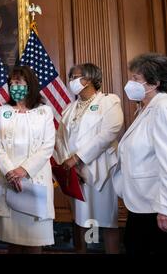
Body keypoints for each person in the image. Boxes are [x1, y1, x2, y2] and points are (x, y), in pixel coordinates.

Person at [54, 63, 124, 254]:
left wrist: (77, 158)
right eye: (71, 77)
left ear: (90, 78)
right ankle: (85, 249)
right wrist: (68, 164)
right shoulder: (69, 108)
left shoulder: (109, 102)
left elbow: (108, 134)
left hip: (101, 170)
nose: (72, 81)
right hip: (76, 174)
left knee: (107, 221)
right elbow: (60, 139)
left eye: (76, 77)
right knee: (83, 220)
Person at [0, 66, 55, 254]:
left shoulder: (44, 112)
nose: (14, 86)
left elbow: (47, 146)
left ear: (29, 84)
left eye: (18, 82)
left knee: (34, 241)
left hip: (35, 182)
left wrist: (23, 170)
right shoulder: (2, 111)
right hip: (8, 180)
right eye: (11, 83)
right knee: (13, 241)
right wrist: (10, 171)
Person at [113, 53, 167, 254]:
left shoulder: (162, 107)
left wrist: (165, 207)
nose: (131, 83)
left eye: (136, 79)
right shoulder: (145, 109)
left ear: (153, 83)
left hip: (155, 206)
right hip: (140, 203)